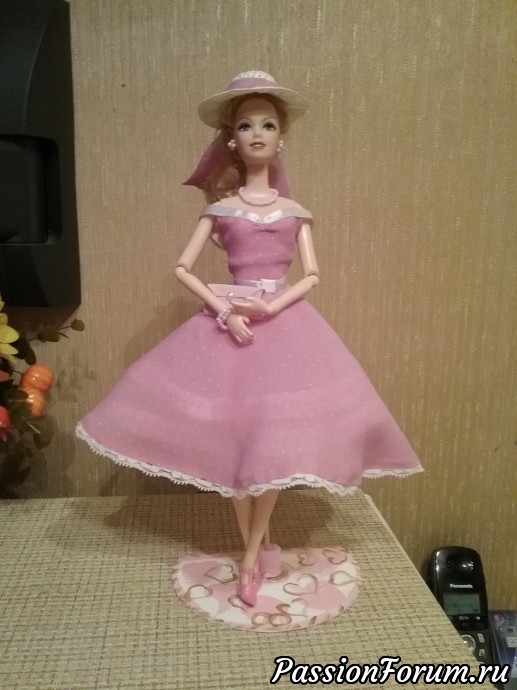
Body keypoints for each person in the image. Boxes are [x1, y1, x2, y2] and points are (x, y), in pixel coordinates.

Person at [77, 71, 423, 606]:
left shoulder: (296, 213)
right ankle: (251, 552)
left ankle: (252, 554)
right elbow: (183, 268)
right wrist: (224, 310)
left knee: (270, 449)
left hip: (286, 330)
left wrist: (271, 305)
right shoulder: (220, 211)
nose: (257, 133)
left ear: (281, 138)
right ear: (231, 141)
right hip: (230, 326)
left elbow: (312, 275)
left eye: (267, 124)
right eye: (245, 125)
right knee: (236, 450)